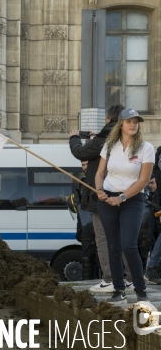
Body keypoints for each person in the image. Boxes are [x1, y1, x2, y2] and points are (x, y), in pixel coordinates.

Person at [68, 104, 133, 292]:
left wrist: (74, 138)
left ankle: (110, 279)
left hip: (102, 196)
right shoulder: (126, 138)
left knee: (104, 239)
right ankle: (129, 278)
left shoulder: (104, 139)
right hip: (124, 195)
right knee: (123, 238)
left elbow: (80, 152)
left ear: (109, 119)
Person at [95, 108, 154, 303]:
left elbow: (144, 180)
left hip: (132, 200)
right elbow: (100, 173)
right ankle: (118, 290)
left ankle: (140, 290)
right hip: (107, 200)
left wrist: (122, 197)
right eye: (129, 121)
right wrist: (99, 190)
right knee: (113, 246)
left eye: (136, 121)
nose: (133, 124)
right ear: (120, 124)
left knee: (129, 245)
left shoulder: (146, 148)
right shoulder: (109, 146)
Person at [73, 161, 99, 280]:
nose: (85, 167)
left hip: (101, 227)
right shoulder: (81, 183)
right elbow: (80, 210)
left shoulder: (101, 180)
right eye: (83, 165)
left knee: (102, 261)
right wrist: (79, 230)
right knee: (87, 262)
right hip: (86, 228)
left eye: (87, 164)